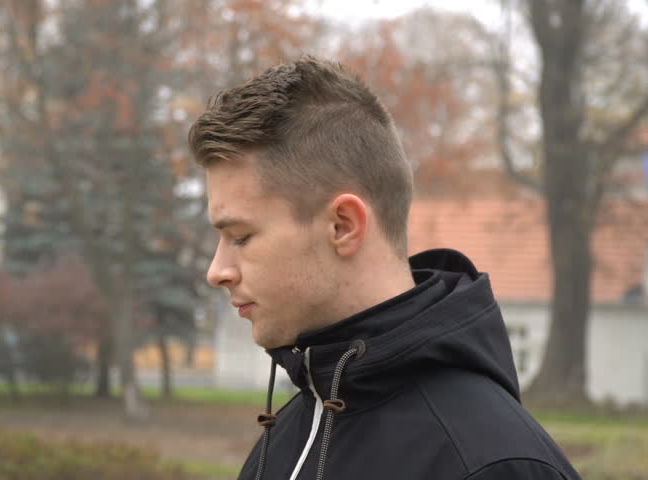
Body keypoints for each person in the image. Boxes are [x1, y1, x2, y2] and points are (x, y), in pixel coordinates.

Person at [188, 56, 582, 480]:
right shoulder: (283, 440)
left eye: (241, 237)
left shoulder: (490, 464)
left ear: (343, 226)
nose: (217, 271)